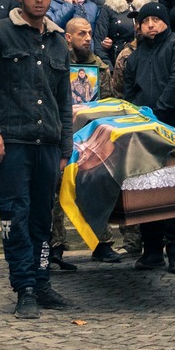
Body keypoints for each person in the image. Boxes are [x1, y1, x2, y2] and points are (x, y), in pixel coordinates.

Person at [0, 0, 76, 318]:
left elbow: (64, 100)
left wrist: (65, 146)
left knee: (43, 218)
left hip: (48, 143)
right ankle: (24, 286)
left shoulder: (58, 40)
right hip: (12, 141)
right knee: (15, 215)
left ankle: (41, 282)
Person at [119, 2, 175, 272]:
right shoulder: (135, 57)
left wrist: (158, 114)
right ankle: (151, 248)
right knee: (147, 191)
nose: (150, 24)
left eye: (156, 19)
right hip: (144, 134)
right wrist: (137, 119)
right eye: (145, 20)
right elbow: (129, 94)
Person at [56, 15, 124, 265]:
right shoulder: (58, 63)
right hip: (62, 136)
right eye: (81, 34)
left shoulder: (101, 67)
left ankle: (101, 243)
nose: (87, 38)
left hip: (93, 138)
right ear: (68, 37)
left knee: (96, 187)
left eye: (89, 33)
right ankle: (55, 247)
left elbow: (109, 103)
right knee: (56, 192)